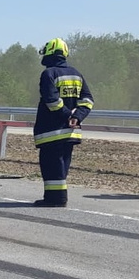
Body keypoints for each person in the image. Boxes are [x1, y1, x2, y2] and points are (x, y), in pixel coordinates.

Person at [32, 38, 94, 207]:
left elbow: (51, 100)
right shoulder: (77, 74)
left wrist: (67, 115)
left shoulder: (49, 74)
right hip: (71, 132)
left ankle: (56, 199)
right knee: (61, 166)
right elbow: (88, 100)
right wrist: (77, 116)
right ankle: (56, 197)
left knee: (51, 166)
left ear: (50, 53)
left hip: (53, 131)